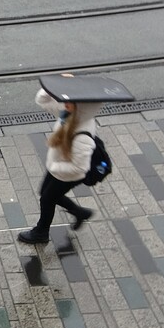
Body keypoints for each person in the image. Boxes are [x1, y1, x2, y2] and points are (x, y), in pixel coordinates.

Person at [18, 74, 102, 244]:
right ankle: (79, 212)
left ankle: (41, 232)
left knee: (47, 198)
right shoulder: (70, 114)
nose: (65, 103)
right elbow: (42, 101)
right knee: (46, 194)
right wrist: (59, 85)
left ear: (80, 106)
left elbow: (80, 169)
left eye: (69, 101)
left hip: (67, 173)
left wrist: (55, 167)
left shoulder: (82, 134)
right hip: (59, 165)